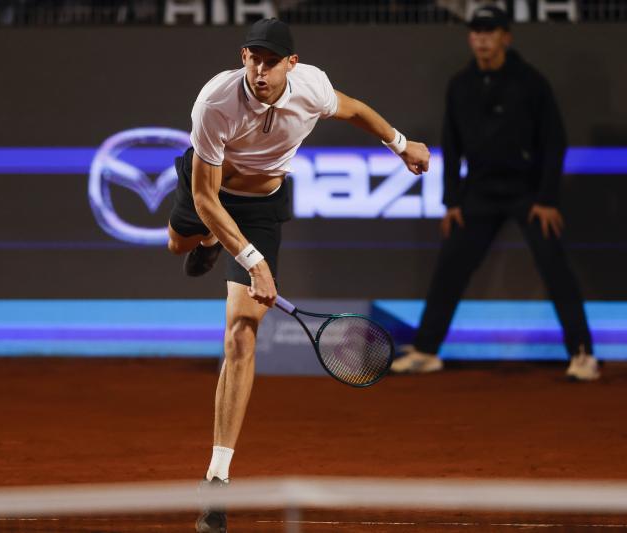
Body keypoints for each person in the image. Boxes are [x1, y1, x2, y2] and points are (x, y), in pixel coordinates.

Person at [167, 18, 430, 533]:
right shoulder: (215, 102)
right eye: (254, 60)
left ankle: (216, 479)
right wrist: (252, 261)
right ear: (243, 57)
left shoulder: (311, 86)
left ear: (292, 64)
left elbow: (354, 110)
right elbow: (204, 198)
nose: (261, 73)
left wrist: (401, 144)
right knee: (178, 242)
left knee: (242, 334)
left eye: (272, 63)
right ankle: (208, 243)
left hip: (260, 209)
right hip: (212, 192)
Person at [390, 5, 599, 381]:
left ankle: (583, 354)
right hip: (479, 192)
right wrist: (452, 201)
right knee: (450, 267)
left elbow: (554, 142)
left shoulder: (531, 82)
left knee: (554, 267)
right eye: (476, 32)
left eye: (490, 32)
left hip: (528, 193)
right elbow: (451, 145)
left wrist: (547, 199)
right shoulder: (460, 85)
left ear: (506, 37)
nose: (482, 39)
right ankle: (426, 351)